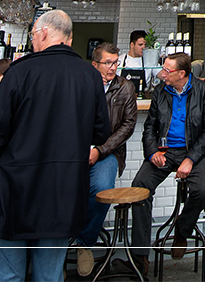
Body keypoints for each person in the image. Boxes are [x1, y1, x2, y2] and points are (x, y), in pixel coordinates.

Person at [0, 10, 109, 282]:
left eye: (34, 34)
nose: (33, 40)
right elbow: (102, 130)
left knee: (8, 275)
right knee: (49, 275)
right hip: (64, 188)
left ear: (44, 33)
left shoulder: (20, 71)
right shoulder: (90, 75)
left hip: (14, 186)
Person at [128, 52, 205, 275]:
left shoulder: (203, 91)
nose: (163, 74)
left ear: (182, 73)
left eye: (168, 71)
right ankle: (140, 256)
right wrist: (152, 153)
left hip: (192, 152)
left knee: (203, 191)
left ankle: (182, 231)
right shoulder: (160, 91)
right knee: (140, 187)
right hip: (164, 151)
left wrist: (190, 159)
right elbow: (150, 128)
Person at [74, 42, 137, 276]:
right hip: (75, 151)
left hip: (108, 152)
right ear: (95, 64)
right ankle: (56, 252)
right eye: (108, 63)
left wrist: (100, 150)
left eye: (115, 63)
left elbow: (128, 125)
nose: (112, 68)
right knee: (63, 190)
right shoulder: (80, 84)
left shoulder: (125, 87)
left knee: (101, 189)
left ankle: (84, 243)